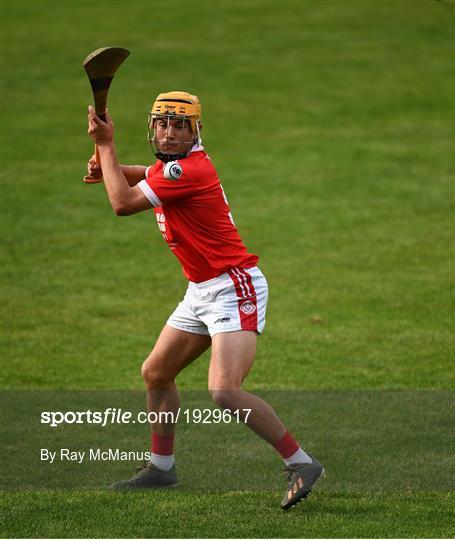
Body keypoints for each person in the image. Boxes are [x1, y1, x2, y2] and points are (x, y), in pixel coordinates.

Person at [86, 91, 324, 509]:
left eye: (181, 125)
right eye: (163, 123)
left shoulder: (189, 170)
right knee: (156, 372)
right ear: (153, 127)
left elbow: (122, 203)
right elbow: (149, 174)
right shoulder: (173, 170)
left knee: (224, 391)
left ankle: (301, 463)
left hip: (234, 287)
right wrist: (115, 166)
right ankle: (161, 468)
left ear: (195, 130)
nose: (171, 132)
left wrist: (106, 147)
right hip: (201, 289)